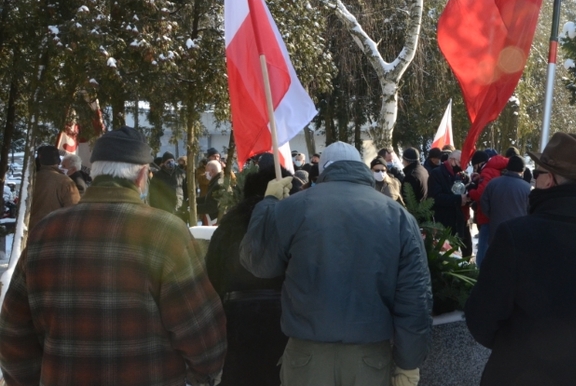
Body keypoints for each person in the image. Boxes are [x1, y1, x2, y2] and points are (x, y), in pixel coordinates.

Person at [0, 126, 226, 385]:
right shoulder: (166, 233)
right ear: (143, 175)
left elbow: (13, 332)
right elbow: (202, 332)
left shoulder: (44, 234)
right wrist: (200, 378)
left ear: (94, 170)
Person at [240, 141, 432, 386]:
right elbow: (415, 297)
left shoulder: (292, 208)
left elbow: (258, 263)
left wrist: (267, 204)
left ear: (323, 170)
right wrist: (408, 362)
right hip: (369, 360)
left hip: (306, 359)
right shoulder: (397, 216)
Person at [465, 132, 576, 385]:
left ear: (550, 180)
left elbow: (482, 319)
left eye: (537, 175)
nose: (534, 182)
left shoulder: (517, 235)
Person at [206, 160, 289, 386]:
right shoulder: (291, 219)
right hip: (284, 321)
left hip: (237, 321)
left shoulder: (231, 220)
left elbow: (213, 269)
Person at [466, 150, 508, 268]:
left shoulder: (487, 171)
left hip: (487, 216)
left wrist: (470, 191)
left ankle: (479, 275)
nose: (475, 169)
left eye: (475, 166)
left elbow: (481, 193)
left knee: (483, 249)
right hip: (498, 213)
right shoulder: (496, 168)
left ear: (480, 163)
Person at [479, 154, 530, 250]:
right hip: (518, 234)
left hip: (496, 232)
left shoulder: (493, 183)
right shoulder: (527, 188)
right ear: (522, 170)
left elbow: (484, 203)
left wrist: (493, 215)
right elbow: (531, 210)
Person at [427, 149, 472, 256]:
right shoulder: (437, 174)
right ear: (452, 161)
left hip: (457, 224)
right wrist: (458, 199)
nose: (462, 166)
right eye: (460, 162)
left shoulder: (458, 175)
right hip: (443, 224)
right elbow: (436, 197)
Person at [29, 145, 80, 227]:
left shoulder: (29, 180)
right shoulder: (65, 182)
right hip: (54, 233)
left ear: (40, 160)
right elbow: (74, 212)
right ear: (58, 161)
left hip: (31, 232)